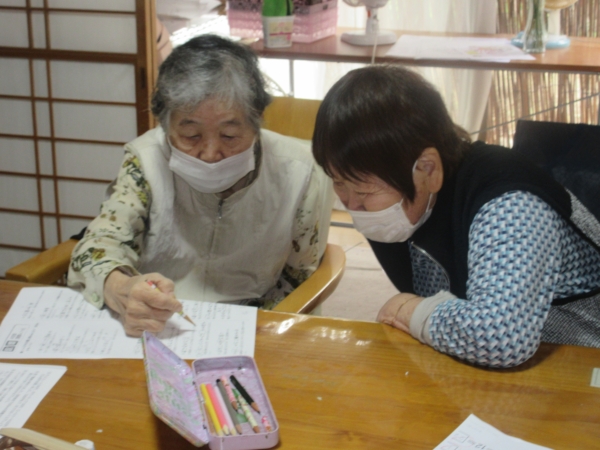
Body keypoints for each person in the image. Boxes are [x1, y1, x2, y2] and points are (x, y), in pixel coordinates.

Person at [312, 65, 600, 368]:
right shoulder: (409, 200)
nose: (351, 204)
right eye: (338, 183)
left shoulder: (510, 205)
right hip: (499, 364)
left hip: (580, 360)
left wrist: (413, 311)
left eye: (365, 191)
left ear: (428, 169)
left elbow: (501, 337)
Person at [68, 35, 332, 337]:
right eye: (191, 136)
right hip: (158, 320)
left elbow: (298, 276)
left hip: (252, 323)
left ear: (257, 123)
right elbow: (100, 245)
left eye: (229, 136)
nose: (210, 154)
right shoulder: (146, 160)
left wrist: (259, 330)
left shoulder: (298, 172)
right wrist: (124, 288)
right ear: (165, 126)